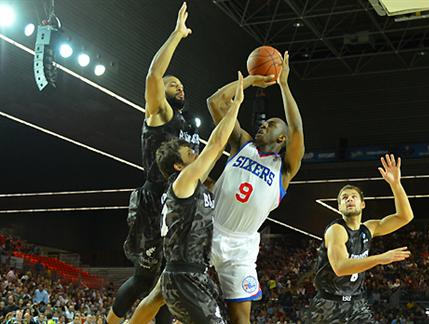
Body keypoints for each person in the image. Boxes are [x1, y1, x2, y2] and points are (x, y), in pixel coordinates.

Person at [106, 3, 199, 324]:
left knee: (168, 281)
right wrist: (176, 35)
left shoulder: (190, 126)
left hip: (180, 205)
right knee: (146, 279)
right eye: (174, 84)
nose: (180, 87)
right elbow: (153, 75)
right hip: (152, 201)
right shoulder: (160, 114)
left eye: (182, 86)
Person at [207, 50, 305, 324]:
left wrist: (284, 85)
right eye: (264, 123)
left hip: (241, 246)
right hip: (207, 229)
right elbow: (215, 102)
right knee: (168, 292)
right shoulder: (242, 143)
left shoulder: (284, 169)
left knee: (241, 318)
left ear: (282, 138)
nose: (264, 125)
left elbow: (297, 129)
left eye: (271, 125)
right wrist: (250, 80)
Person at [156, 71, 245, 323]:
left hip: (193, 275)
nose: (196, 154)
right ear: (177, 165)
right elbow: (215, 145)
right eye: (189, 153)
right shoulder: (182, 182)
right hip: (184, 277)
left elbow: (215, 153)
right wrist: (235, 106)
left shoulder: (192, 184)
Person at [308, 154, 413, 323]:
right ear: (339, 207)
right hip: (329, 304)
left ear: (362, 204)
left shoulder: (369, 228)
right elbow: (340, 267)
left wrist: (396, 184)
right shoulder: (336, 230)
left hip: (357, 302)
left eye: (353, 196)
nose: (349, 199)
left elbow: (404, 217)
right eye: (344, 198)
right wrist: (380, 258)